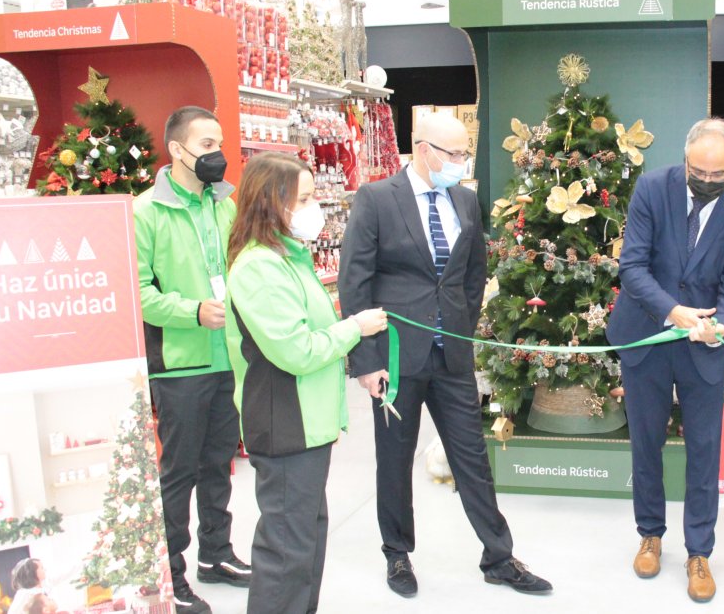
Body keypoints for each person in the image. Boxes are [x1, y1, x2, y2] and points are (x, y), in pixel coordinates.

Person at [339, 112, 551, 597]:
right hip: (395, 357)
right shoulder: (375, 200)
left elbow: (473, 273)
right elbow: (355, 282)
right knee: (393, 460)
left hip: (452, 354)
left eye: (465, 154)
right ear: (424, 150)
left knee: (472, 457)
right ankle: (397, 555)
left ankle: (498, 557)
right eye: (454, 154)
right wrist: (368, 363)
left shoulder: (465, 200)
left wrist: (460, 323)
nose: (462, 162)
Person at [223, 153, 389, 614]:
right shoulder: (259, 268)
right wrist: (355, 328)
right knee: (286, 552)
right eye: (306, 198)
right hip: (284, 422)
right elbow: (296, 350)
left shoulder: (289, 259)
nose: (315, 206)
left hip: (307, 424)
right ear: (271, 203)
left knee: (305, 542)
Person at [606, 118, 724, 603]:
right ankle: (650, 534)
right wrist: (673, 311)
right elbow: (632, 266)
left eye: (719, 175)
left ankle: (700, 552)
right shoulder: (653, 188)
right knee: (646, 441)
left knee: (704, 449)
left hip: (703, 346)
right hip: (647, 335)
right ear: (686, 158)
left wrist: (722, 324)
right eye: (699, 171)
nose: (708, 182)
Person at [134, 106, 250, 614]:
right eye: (206, 145)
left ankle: (216, 554)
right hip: (180, 363)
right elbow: (135, 292)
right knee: (178, 470)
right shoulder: (145, 212)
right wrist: (190, 312)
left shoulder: (225, 204)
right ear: (177, 151)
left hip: (227, 358)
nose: (217, 155)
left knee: (218, 464)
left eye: (219, 144)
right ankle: (171, 573)